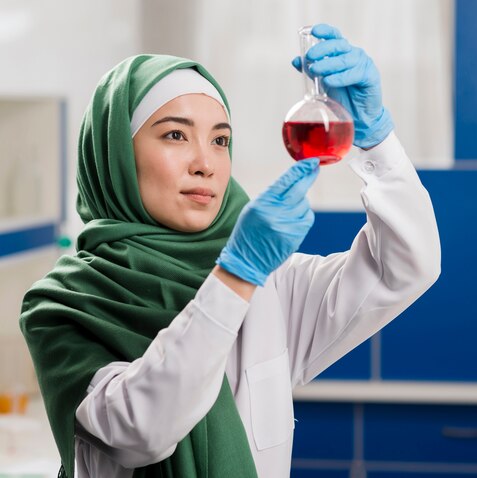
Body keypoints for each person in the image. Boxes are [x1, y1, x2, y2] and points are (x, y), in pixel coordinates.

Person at [20, 23, 440, 478]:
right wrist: (237, 276)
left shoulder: (271, 286)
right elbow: (139, 431)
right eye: (176, 136)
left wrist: (376, 141)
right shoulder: (60, 306)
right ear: (117, 153)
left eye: (220, 140)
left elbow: (404, 267)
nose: (205, 164)